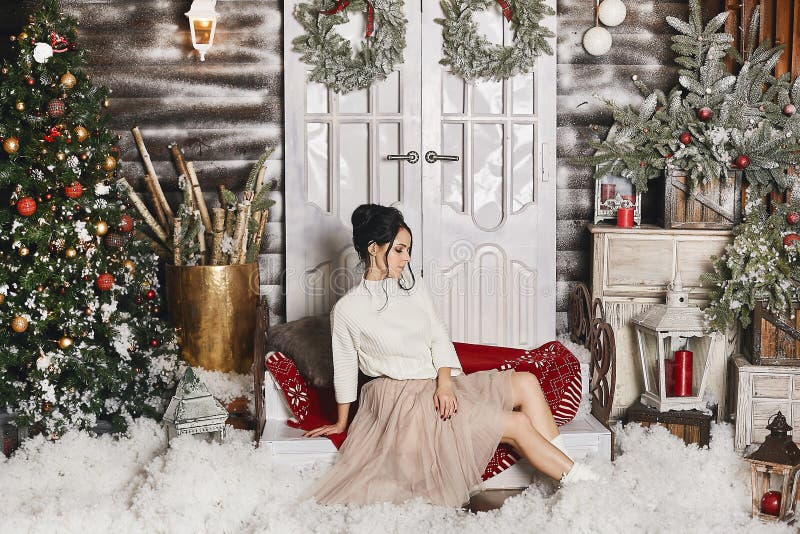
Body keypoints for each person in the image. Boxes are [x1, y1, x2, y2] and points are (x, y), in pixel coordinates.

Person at [304, 204, 597, 507]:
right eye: (400, 250)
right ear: (374, 248)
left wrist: (444, 383)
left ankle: (564, 472)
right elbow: (345, 366)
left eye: (408, 250)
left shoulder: (413, 290)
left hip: (436, 385)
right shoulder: (348, 310)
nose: (407, 258)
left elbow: (438, 336)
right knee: (518, 425)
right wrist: (341, 423)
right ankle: (586, 484)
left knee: (526, 382)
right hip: (399, 401)